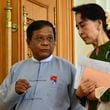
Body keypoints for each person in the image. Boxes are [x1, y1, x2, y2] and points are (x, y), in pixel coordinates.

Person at [0, 20, 84, 110]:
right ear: (28, 42)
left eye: (50, 38)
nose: (45, 43)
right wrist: (14, 91)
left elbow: (78, 105)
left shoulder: (67, 68)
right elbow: (2, 105)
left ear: (54, 42)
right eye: (39, 38)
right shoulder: (16, 69)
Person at [72, 3, 110, 110]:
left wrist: (98, 93)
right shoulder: (88, 57)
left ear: (98, 23)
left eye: (83, 25)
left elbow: (95, 94)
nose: (80, 32)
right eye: (77, 27)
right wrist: (80, 93)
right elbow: (84, 98)